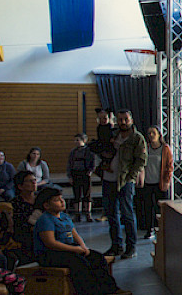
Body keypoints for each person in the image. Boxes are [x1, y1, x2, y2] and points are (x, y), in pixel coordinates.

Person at [33, 185, 131, 295]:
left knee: (97, 257)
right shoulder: (45, 220)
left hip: (68, 250)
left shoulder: (64, 217)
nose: (62, 201)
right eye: (57, 200)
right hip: (50, 254)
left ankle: (110, 289)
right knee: (80, 263)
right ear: (46, 205)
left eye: (62, 198)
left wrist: (83, 247)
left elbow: (75, 235)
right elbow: (51, 243)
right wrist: (74, 250)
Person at [100, 110, 147, 259]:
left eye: (126, 119)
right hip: (108, 179)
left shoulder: (137, 138)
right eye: (120, 119)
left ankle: (131, 247)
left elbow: (141, 160)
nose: (123, 122)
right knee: (111, 214)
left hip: (125, 181)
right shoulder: (113, 135)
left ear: (131, 120)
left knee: (127, 214)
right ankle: (116, 246)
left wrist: (131, 177)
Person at [136, 127, 172, 239]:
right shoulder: (146, 148)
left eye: (153, 133)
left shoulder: (165, 149)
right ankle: (149, 229)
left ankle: (162, 228)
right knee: (148, 207)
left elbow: (169, 166)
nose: (151, 135)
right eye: (149, 133)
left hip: (159, 182)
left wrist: (167, 180)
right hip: (147, 182)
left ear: (159, 134)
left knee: (160, 207)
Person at [66, 134, 98, 222]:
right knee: (77, 194)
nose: (76, 142)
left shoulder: (89, 151)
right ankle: (77, 214)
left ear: (84, 140)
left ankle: (88, 214)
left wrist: (90, 171)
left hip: (85, 173)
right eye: (75, 140)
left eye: (78, 140)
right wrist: (69, 176)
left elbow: (93, 162)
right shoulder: (73, 152)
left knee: (87, 194)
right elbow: (69, 164)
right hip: (75, 174)